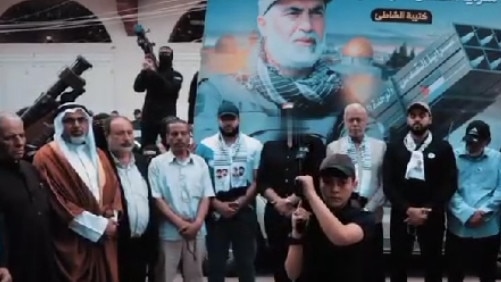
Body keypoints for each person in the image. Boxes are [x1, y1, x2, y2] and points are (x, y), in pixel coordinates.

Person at [194, 0, 343, 145]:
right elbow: (207, 154)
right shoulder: (220, 91)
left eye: (316, 13)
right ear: (263, 25)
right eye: (293, 13)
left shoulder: (344, 94)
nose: (307, 26)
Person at [33, 102, 123, 282]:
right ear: (60, 124)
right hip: (72, 243)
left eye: (81, 120)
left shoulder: (99, 154)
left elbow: (113, 191)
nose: (76, 126)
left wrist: (112, 218)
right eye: (69, 121)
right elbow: (57, 202)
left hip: (104, 241)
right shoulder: (47, 157)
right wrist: (99, 226)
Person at [383, 101, 457, 282]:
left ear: (429, 119)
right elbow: (388, 183)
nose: (417, 119)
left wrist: (427, 209)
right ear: (407, 119)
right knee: (398, 265)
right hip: (402, 215)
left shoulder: (443, 148)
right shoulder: (394, 147)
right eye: (413, 115)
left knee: (433, 265)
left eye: (422, 115)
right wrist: (407, 209)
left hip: (432, 215)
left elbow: (449, 183)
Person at [257, 103, 325, 282]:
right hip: (275, 212)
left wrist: (293, 200)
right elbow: (262, 181)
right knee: (279, 263)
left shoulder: (314, 144)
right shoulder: (270, 146)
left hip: (304, 210)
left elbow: (316, 176)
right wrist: (278, 201)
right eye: (286, 116)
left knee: (306, 262)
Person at [197, 102, 263, 282]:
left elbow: (258, 180)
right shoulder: (205, 145)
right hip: (216, 205)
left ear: (238, 120)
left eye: (231, 119)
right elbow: (201, 181)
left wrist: (241, 202)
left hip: (244, 204)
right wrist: (217, 205)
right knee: (216, 264)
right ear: (218, 120)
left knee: (246, 263)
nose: (228, 123)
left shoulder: (254, 145)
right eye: (224, 119)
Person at [284, 153, 375, 282]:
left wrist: (310, 193)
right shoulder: (308, 215)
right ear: (319, 183)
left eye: (342, 183)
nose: (335, 189)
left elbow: (341, 236)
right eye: (328, 182)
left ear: (354, 184)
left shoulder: (364, 218)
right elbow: (292, 274)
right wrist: (297, 233)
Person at [326, 103, 386, 282]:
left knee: (372, 266)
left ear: (366, 122)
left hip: (372, 215)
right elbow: (330, 182)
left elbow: (386, 184)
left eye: (358, 119)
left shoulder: (380, 147)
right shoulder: (334, 148)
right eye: (350, 120)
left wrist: (368, 209)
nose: (354, 124)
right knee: (347, 266)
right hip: (344, 217)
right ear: (344, 122)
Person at [148, 118, 213, 282]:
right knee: (165, 276)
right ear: (167, 138)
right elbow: (157, 199)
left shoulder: (200, 163)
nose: (179, 137)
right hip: (169, 232)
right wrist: (180, 223)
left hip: (197, 231)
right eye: (174, 134)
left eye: (183, 133)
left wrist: (197, 223)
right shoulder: (157, 164)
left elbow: (207, 195)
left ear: (189, 136)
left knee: (195, 277)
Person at [0, 113, 58, 282]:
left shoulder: (29, 169)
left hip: (43, 262)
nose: (19, 143)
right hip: (14, 268)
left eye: (21, 136)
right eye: (9, 138)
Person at [105, 116, 158, 282]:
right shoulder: (103, 165)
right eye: (120, 133)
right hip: (115, 245)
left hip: (141, 245)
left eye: (129, 132)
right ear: (107, 136)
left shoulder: (143, 163)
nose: (127, 138)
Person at [446, 120, 501, 282]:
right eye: (469, 142)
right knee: (455, 274)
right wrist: (468, 214)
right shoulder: (452, 157)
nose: (471, 146)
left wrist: (483, 212)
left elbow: (500, 190)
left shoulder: (498, 159)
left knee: (487, 274)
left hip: (488, 227)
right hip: (459, 227)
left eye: (476, 143)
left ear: (487, 142)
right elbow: (448, 189)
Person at [134, 46, 183, 148]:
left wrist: (153, 73)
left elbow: (169, 89)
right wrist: (144, 71)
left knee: (169, 147)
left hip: (168, 118)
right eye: (162, 55)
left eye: (167, 55)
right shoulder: (152, 73)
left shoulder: (176, 75)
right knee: (147, 147)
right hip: (149, 117)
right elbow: (138, 88)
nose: (164, 57)